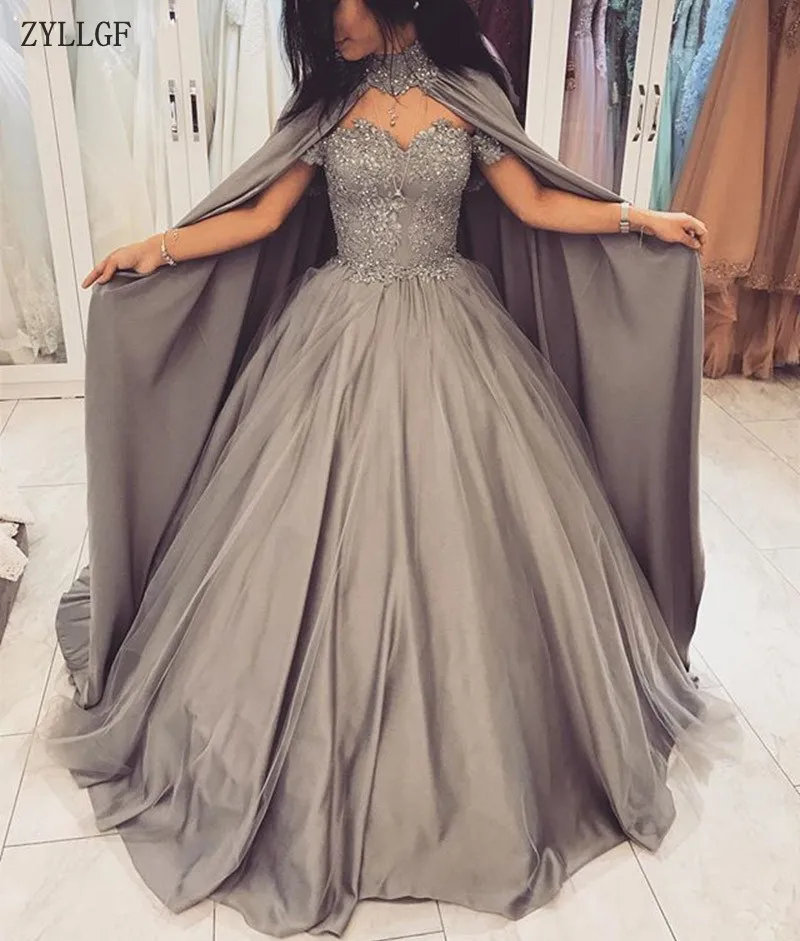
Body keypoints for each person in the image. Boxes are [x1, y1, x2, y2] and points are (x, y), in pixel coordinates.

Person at [43, 0, 721, 938]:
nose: (329, 31)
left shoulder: (470, 90)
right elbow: (261, 215)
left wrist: (640, 218)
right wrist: (153, 249)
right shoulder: (328, 101)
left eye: (336, 10)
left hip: (455, 337)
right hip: (337, 338)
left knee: (475, 547)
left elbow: (534, 204)